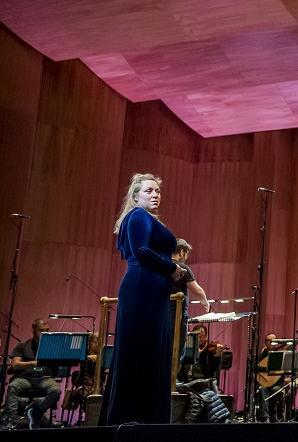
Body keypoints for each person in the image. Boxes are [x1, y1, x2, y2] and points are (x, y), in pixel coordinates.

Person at [100, 173, 186, 425]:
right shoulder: (138, 216)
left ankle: (146, 419)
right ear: (135, 196)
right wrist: (171, 267)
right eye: (149, 191)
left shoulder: (143, 218)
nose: (155, 195)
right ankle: (133, 418)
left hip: (150, 290)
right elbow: (140, 251)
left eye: (158, 191)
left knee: (148, 352)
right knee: (140, 351)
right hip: (142, 288)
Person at [3, 318, 61, 430]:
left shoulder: (51, 348)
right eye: (41, 330)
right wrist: (33, 363)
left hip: (44, 378)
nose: (45, 333)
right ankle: (12, 421)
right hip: (25, 378)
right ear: (33, 331)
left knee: (56, 391)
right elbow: (15, 365)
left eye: (47, 330)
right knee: (13, 386)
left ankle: (36, 412)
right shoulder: (22, 346)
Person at [256, 333, 290, 422]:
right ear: (265, 342)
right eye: (269, 341)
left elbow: (287, 369)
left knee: (275, 391)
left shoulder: (280, 355)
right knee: (262, 390)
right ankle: (265, 417)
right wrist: (266, 369)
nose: (271, 343)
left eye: (273, 341)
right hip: (264, 383)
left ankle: (273, 415)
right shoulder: (261, 356)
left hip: (277, 384)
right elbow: (254, 368)